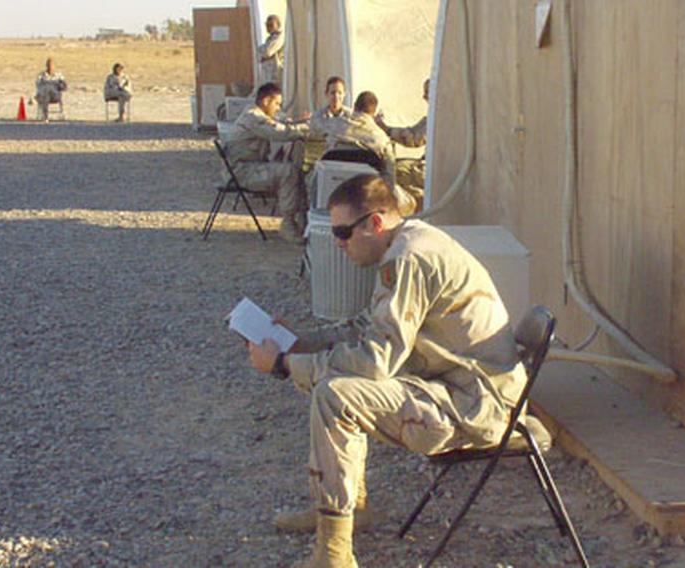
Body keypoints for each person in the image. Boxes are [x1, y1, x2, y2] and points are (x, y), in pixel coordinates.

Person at [247, 174, 540, 566]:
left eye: (343, 232)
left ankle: (334, 551)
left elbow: (374, 362)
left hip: (475, 406)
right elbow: (367, 329)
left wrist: (285, 365)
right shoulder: (407, 244)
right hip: (460, 388)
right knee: (336, 383)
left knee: (337, 395)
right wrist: (300, 342)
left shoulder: (408, 259)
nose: (338, 242)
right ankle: (347, 511)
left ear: (375, 223)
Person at [223, 82, 309, 243]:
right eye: (276, 103)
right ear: (265, 101)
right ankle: (288, 224)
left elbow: (280, 123)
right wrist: (307, 129)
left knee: (290, 165)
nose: (277, 108)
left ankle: (301, 218)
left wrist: (297, 124)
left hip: (248, 167)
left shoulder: (257, 114)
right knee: (288, 172)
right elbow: (278, 132)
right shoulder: (253, 117)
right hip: (243, 172)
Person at [375, 78, 430, 210]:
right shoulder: (433, 116)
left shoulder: (439, 116)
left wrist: (387, 130)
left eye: (427, 93)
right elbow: (412, 132)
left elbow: (414, 139)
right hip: (427, 165)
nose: (424, 97)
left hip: (431, 168)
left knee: (395, 174)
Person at [35, 57, 67, 122]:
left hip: (55, 95)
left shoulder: (58, 76)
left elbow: (64, 87)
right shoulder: (42, 76)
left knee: (49, 87)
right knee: (46, 91)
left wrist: (58, 85)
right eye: (49, 65)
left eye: (52, 65)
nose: (50, 67)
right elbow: (38, 86)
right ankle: (45, 116)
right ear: (46, 66)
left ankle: (45, 115)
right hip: (44, 95)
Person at [258, 15, 284, 85]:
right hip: (268, 73)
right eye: (267, 25)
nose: (268, 27)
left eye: (271, 25)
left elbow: (267, 52)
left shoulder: (278, 38)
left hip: (276, 73)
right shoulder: (270, 39)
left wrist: (260, 50)